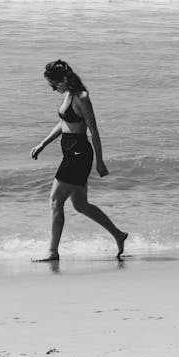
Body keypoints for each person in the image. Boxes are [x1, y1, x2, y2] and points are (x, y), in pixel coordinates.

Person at [31, 59, 127, 261]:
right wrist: (43, 143)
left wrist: (100, 162)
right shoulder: (68, 94)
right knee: (80, 205)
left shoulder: (82, 97)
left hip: (78, 153)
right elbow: (64, 122)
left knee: (56, 201)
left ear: (63, 80)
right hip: (70, 151)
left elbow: (94, 130)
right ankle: (118, 234)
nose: (52, 89)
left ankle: (53, 252)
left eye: (54, 84)